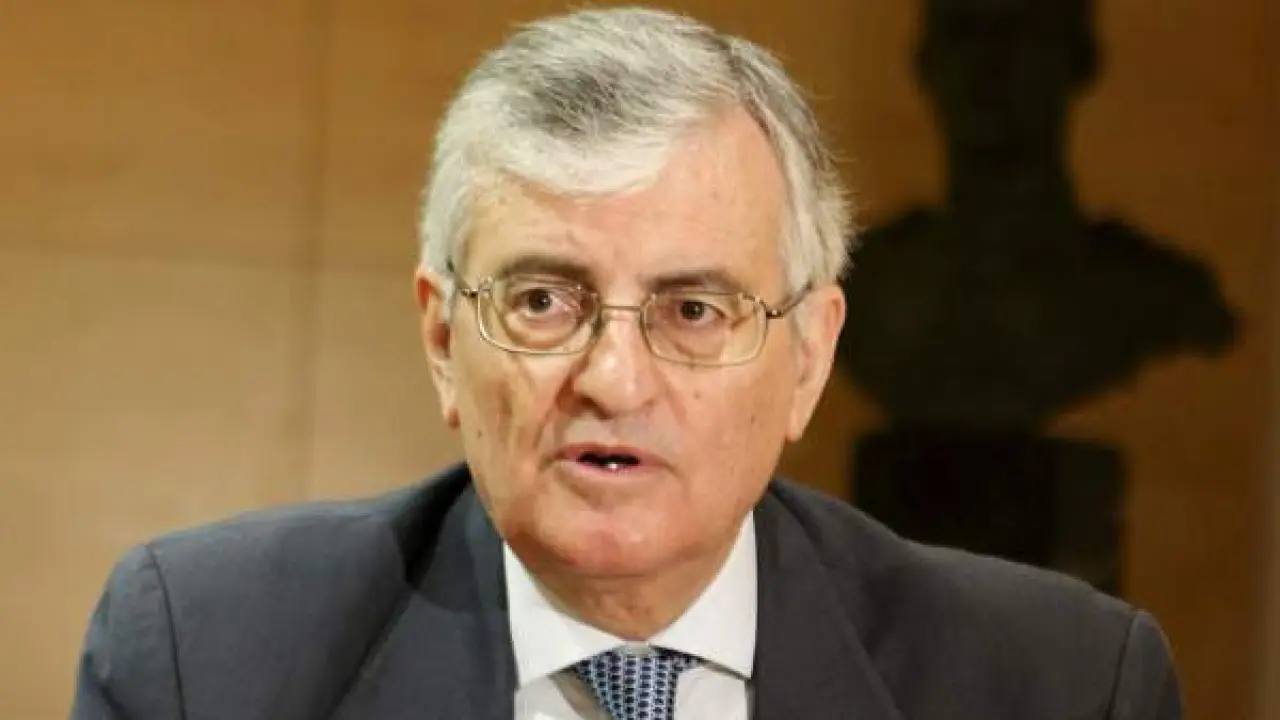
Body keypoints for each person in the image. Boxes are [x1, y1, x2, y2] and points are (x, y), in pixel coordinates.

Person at [71, 7, 1183, 719]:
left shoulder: (1062, 687)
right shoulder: (206, 660)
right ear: (443, 342)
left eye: (692, 310)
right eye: (542, 302)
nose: (613, 378)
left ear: (806, 357)